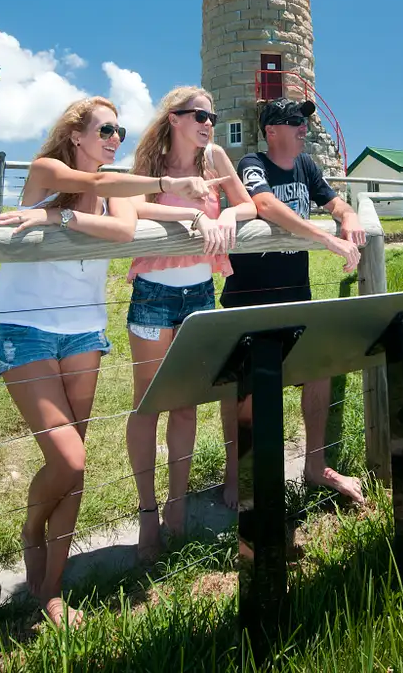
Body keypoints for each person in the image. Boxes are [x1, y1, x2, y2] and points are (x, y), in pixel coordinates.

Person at [0, 95, 219, 626]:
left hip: (84, 333)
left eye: (120, 131)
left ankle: (51, 589)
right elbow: (95, 188)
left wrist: (58, 217)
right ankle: (31, 532)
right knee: (69, 460)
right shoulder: (47, 169)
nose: (115, 138)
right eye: (105, 129)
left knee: (76, 465)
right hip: (26, 328)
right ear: (76, 134)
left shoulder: (113, 186)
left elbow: (121, 227)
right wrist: (163, 185)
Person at [125, 86, 256, 561]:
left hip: (202, 294)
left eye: (213, 116)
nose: (208, 123)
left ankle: (176, 506)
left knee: (184, 407)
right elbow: (130, 206)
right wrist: (192, 219)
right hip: (154, 294)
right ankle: (147, 515)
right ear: (175, 118)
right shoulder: (153, 162)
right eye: (199, 115)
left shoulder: (216, 157)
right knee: (147, 405)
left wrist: (226, 221)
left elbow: (247, 204)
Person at [220, 97, 367, 507]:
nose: (303, 126)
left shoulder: (307, 167)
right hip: (250, 299)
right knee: (246, 393)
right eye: (293, 120)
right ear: (271, 130)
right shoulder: (253, 162)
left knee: (318, 370)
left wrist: (348, 216)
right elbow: (264, 204)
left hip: (295, 297)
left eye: (304, 119)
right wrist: (325, 238)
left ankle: (315, 466)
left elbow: (333, 200)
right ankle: (237, 472)